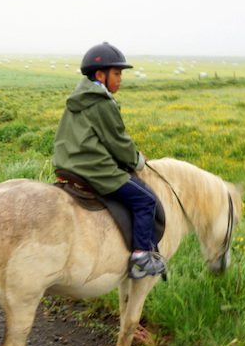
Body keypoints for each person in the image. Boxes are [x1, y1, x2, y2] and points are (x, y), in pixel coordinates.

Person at [53, 42, 166, 279]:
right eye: (117, 73)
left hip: (69, 165)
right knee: (145, 199)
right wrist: (137, 161)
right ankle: (140, 258)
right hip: (95, 170)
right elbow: (117, 142)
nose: (120, 79)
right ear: (100, 74)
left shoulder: (78, 98)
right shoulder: (102, 102)